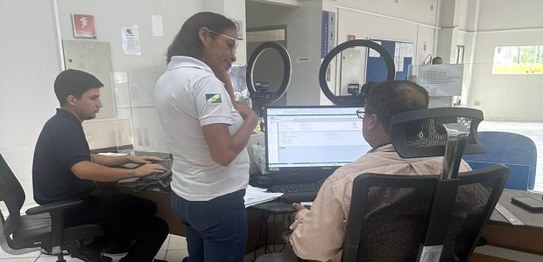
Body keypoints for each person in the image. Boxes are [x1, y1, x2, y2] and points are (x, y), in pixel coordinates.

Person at [282, 80, 470, 261]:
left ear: (372, 121)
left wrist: (302, 217)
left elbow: (312, 251)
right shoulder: (457, 167)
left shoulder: (345, 181)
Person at [32, 69, 170, 262]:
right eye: (93, 98)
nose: (100, 104)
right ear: (72, 99)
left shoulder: (62, 123)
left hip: (74, 202)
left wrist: (129, 159)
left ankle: (103, 246)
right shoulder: (64, 128)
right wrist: (137, 172)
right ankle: (107, 247)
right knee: (158, 228)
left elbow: (89, 157)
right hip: (71, 207)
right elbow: (83, 169)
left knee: (146, 207)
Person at [155, 12, 258, 262]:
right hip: (217, 203)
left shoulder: (168, 78)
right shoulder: (205, 84)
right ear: (204, 35)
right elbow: (222, 154)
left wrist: (223, 78)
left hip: (186, 197)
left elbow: (223, 107)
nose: (233, 55)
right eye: (230, 44)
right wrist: (253, 120)